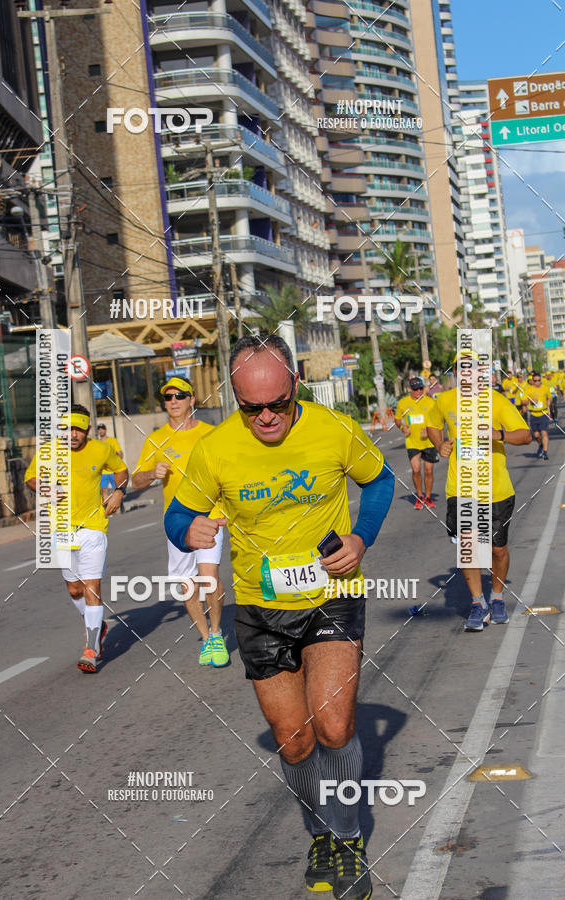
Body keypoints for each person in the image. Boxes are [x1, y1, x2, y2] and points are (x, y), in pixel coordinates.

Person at [165, 335, 394, 900]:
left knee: (335, 726)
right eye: (251, 408)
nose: (266, 416)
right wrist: (185, 530)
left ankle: (345, 841)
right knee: (293, 740)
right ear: (235, 398)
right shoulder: (215, 448)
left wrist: (360, 538)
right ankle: (320, 832)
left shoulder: (332, 428)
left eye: (277, 403)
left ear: (294, 384)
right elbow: (178, 514)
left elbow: (381, 480)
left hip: (332, 595)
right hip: (261, 607)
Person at [427, 354, 531, 632]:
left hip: (495, 489)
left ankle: (496, 596)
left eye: (472, 369)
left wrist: (499, 435)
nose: (466, 373)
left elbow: (525, 434)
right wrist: (440, 445)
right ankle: (478, 603)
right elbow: (432, 424)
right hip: (460, 488)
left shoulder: (496, 401)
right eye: (461, 369)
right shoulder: (445, 400)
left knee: (497, 549)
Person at [131, 376, 229, 667]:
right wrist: (151, 474)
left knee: (209, 578)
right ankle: (205, 637)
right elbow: (136, 480)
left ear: (191, 400)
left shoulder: (211, 434)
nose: (173, 401)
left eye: (179, 396)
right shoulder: (156, 439)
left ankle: (216, 632)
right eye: (168, 397)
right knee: (188, 585)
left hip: (210, 515)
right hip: (177, 523)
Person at [25, 404, 128, 672]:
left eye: (79, 430)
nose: (73, 434)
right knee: (74, 589)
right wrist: (45, 488)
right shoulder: (48, 451)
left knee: (92, 587)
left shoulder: (101, 449)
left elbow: (121, 470)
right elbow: (30, 478)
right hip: (61, 529)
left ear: (88, 430)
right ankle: (98, 625)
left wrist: (118, 491)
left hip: (93, 528)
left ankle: (92, 649)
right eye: (68, 429)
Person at [394, 376, 439, 509]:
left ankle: (429, 497)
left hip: (429, 442)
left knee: (429, 471)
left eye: (420, 388)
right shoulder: (403, 403)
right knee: (416, 470)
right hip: (412, 442)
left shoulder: (430, 402)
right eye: (415, 389)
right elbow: (397, 420)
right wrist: (403, 428)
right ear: (410, 390)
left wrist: (430, 430)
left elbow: (438, 420)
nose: (418, 391)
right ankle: (420, 496)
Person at [521, 371, 553, 460]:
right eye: (535, 381)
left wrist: (549, 402)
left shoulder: (545, 388)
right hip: (533, 414)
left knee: (544, 433)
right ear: (533, 381)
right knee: (536, 436)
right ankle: (541, 445)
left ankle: (545, 452)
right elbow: (522, 401)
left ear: (541, 380)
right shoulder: (529, 389)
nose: (537, 382)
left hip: (543, 413)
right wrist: (530, 401)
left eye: (539, 380)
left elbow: (549, 397)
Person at [97, 423, 124, 507]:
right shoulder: (97, 443)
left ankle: (120, 504)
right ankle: (107, 508)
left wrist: (117, 465)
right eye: (99, 429)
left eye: (102, 429)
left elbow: (120, 453)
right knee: (104, 490)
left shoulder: (112, 440)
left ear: (105, 430)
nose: (101, 431)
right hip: (103, 472)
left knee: (116, 489)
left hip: (113, 471)